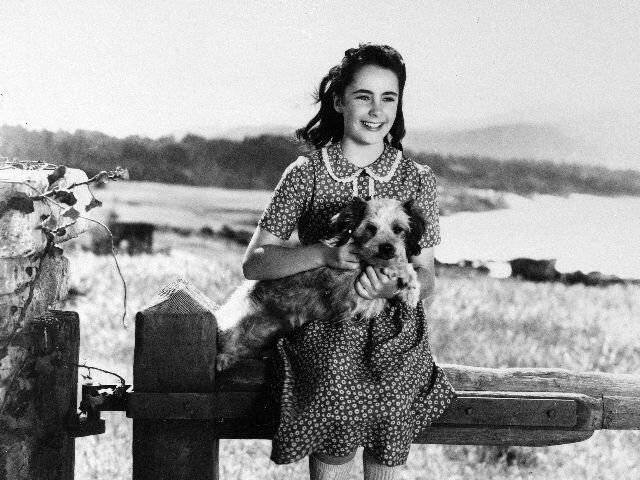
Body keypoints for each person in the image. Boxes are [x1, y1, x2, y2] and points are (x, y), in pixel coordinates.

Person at [243, 43, 455, 480]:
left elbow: (428, 275)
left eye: (388, 98)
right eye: (363, 96)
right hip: (324, 320)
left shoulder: (417, 179)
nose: (376, 110)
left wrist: (394, 287)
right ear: (339, 101)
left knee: (392, 404)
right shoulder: (306, 174)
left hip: (396, 333)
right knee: (333, 393)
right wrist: (323, 253)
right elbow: (255, 263)